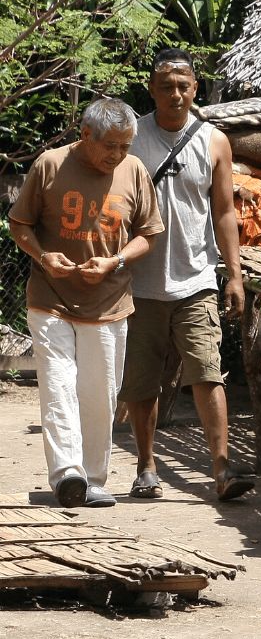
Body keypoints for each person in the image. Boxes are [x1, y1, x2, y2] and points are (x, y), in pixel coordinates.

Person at [8, 98, 164, 508]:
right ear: (85, 135)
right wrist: (44, 257)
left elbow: (147, 235)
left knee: (100, 395)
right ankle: (67, 475)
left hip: (109, 302)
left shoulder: (134, 172)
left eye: (125, 146)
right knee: (58, 387)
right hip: (50, 298)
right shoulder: (49, 164)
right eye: (109, 145)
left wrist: (114, 261)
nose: (117, 155)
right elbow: (19, 224)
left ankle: (93, 480)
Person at [117, 48, 257, 501]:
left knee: (207, 373)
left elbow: (223, 211)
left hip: (196, 278)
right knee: (142, 381)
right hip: (139, 284)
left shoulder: (214, 141)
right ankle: (145, 465)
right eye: (165, 85)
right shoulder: (131, 137)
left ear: (195, 88)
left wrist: (233, 275)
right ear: (151, 88)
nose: (175, 93)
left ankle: (221, 469)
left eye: (183, 85)